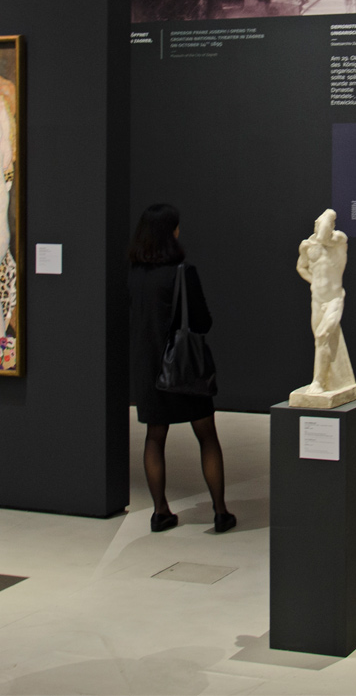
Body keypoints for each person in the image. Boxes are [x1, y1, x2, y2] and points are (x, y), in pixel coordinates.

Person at [126, 203, 234, 534]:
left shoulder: (134, 275)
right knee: (207, 435)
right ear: (171, 233)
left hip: (149, 369)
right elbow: (202, 322)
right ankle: (220, 512)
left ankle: (160, 512)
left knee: (154, 437)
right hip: (185, 368)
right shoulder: (182, 273)